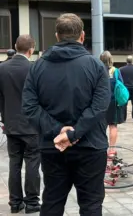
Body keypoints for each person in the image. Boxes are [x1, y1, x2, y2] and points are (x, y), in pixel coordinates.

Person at [22, 13, 110, 215]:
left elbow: (29, 107)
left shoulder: (38, 67)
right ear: (82, 36)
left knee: (52, 202)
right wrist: (73, 133)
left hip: (53, 146)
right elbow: (99, 106)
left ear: (57, 36)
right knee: (91, 205)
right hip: (90, 146)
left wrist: (60, 131)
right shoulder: (97, 67)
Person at [0, 35, 40, 214]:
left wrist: (3, 119)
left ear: (15, 47)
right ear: (31, 50)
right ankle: (32, 202)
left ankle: (15, 202)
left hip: (11, 123)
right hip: (32, 125)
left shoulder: (2, 68)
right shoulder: (35, 69)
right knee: (32, 162)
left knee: (14, 163)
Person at [100, 51, 126, 155]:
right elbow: (121, 85)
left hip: (100, 102)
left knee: (100, 126)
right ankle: (111, 150)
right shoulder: (116, 71)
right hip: (113, 102)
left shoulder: (98, 70)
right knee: (113, 126)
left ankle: (101, 149)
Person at [120, 55, 133, 122]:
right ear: (132, 61)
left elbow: (120, 79)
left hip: (125, 88)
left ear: (126, 61)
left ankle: (123, 119)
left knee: (124, 104)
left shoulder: (121, 69)